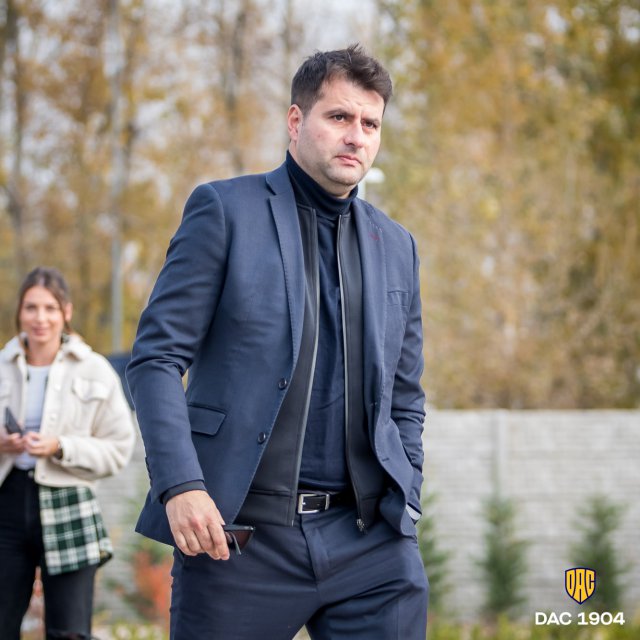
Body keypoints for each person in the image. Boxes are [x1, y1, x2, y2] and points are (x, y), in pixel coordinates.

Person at [127, 43, 428, 640]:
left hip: (370, 545)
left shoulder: (397, 245)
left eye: (370, 124)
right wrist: (181, 485)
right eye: (338, 116)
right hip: (238, 540)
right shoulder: (225, 211)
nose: (356, 136)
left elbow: (405, 393)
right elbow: (156, 358)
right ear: (296, 121)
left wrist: (408, 488)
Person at [0, 266, 136, 640]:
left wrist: (61, 446)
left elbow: (119, 448)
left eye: (50, 308)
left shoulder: (95, 369)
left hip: (70, 502)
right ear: (20, 312)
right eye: (31, 307)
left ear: (67, 312)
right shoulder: (1, 366)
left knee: (70, 632)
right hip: (7, 501)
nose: (40, 318)